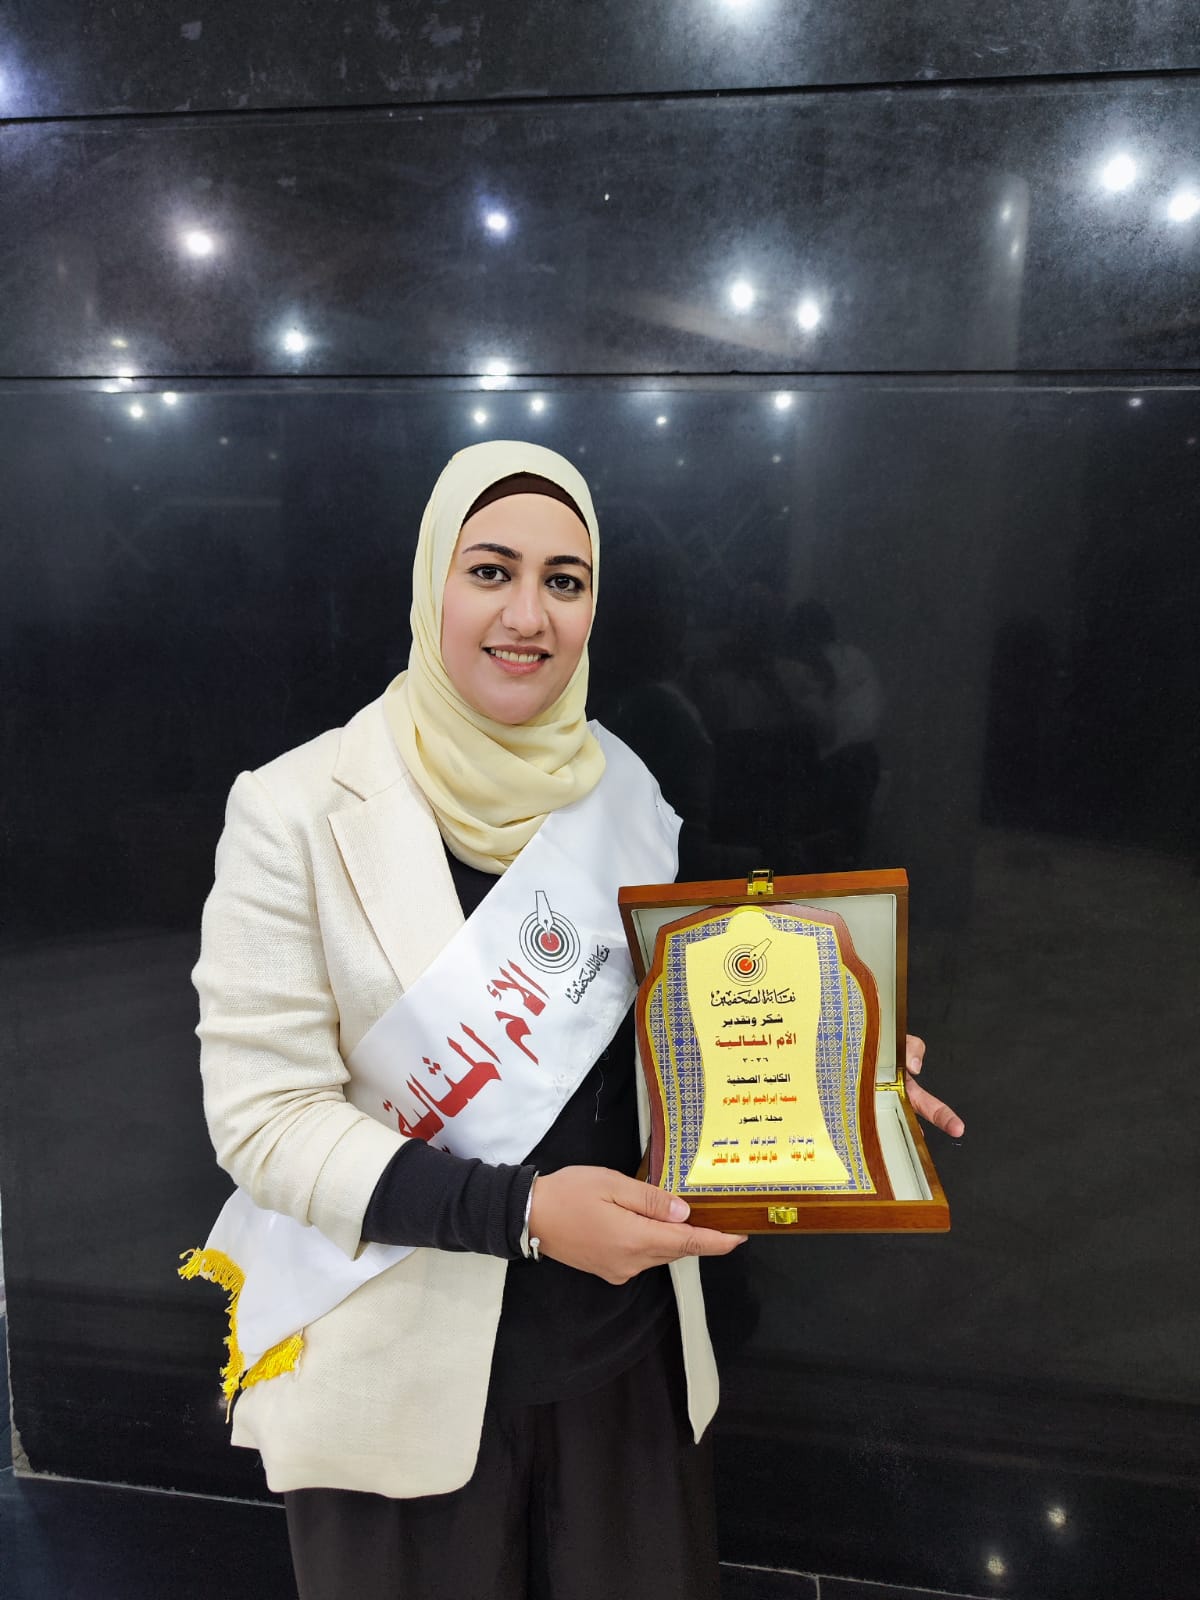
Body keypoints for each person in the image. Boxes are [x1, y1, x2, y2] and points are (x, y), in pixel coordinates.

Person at [185, 440, 963, 1600]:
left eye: (565, 579)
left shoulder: (625, 789)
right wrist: (528, 1214)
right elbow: (266, 1124)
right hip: (394, 1374)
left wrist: (829, 1049)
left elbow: (669, 1019)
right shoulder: (293, 808)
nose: (527, 614)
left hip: (622, 1363)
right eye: (489, 570)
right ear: (431, 583)